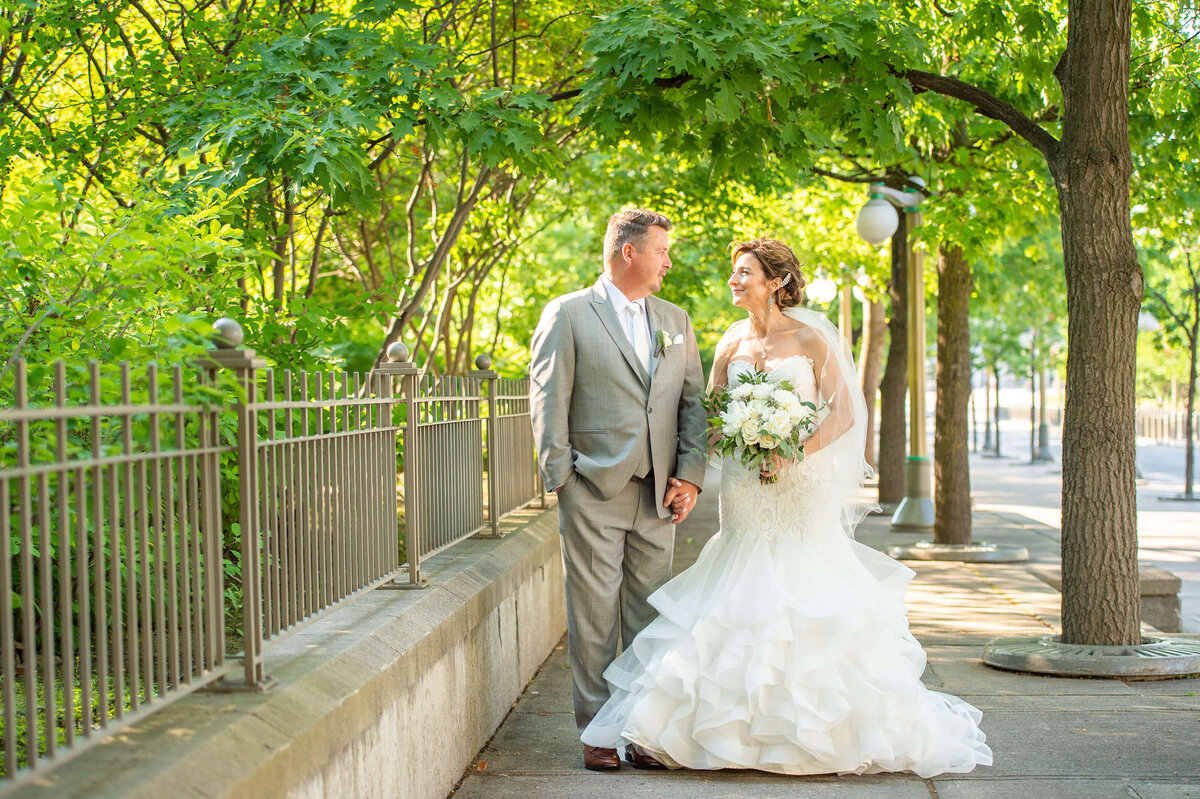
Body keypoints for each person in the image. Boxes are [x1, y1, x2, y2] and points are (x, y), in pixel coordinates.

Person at [579, 238, 993, 777]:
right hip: (747, 489)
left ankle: (813, 730)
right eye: (734, 271)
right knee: (737, 585)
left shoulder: (812, 336)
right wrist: (706, 468)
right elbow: (707, 414)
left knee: (801, 589)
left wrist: (791, 450)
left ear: (774, 281)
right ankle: (718, 730)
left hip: (799, 485)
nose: (733, 280)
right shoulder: (730, 342)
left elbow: (843, 413)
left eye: (744, 272)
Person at [529, 209, 709, 772]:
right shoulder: (571, 313)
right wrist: (561, 478)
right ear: (628, 252)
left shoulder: (675, 320)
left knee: (650, 619)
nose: (667, 263)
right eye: (661, 251)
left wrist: (691, 475)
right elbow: (548, 397)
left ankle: (643, 730)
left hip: (660, 494)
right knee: (593, 616)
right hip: (593, 488)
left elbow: (693, 404)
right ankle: (599, 732)